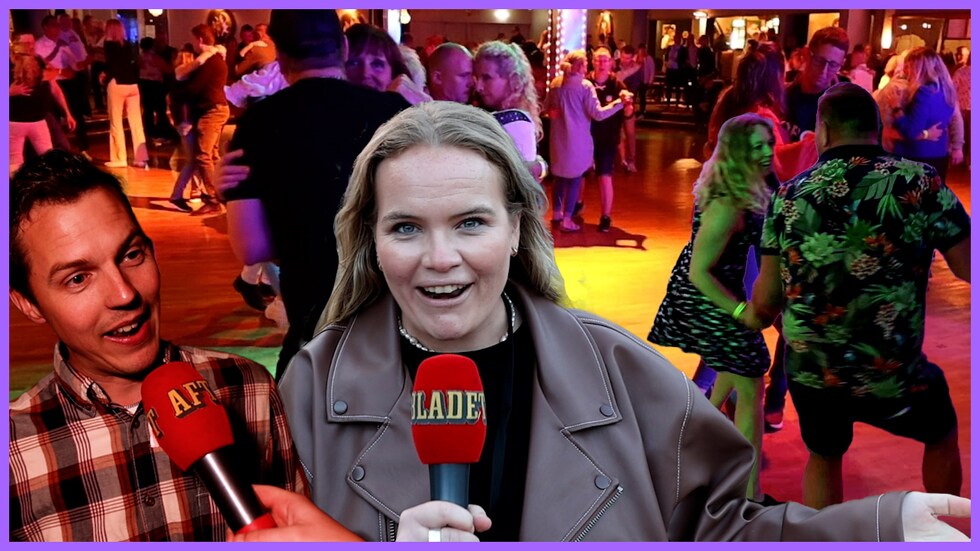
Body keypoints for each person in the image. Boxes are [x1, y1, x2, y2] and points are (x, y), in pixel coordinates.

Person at [270, 100, 969, 542]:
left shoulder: (619, 369)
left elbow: (725, 528)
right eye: (405, 228)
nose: (440, 258)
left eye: (471, 222)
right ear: (370, 239)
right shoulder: (311, 384)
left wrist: (877, 526)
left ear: (516, 229)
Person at [8, 150, 306, 541]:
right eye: (78, 278)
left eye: (132, 255)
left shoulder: (248, 387)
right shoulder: (14, 449)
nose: (124, 294)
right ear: (28, 303)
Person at [743, 83, 970, 510]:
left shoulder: (789, 196)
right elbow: (966, 265)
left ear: (824, 131)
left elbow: (767, 300)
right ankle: (942, 526)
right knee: (940, 431)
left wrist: (748, 312)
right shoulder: (919, 181)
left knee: (824, 455)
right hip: (891, 371)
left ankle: (828, 535)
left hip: (814, 371)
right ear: (877, 128)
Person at [218, 9, 410, 380]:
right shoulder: (394, 113)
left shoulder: (258, 124)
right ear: (342, 47)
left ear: (279, 55)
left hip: (315, 326)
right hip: (393, 325)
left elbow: (252, 247)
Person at [649, 113, 775, 501]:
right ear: (737, 153)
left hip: (719, 292)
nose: (768, 152)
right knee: (750, 386)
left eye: (769, 143)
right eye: (757, 146)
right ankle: (750, 497)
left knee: (732, 374)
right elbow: (699, 272)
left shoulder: (747, 187)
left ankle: (678, 440)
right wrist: (740, 311)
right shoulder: (727, 206)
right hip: (706, 299)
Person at [543, 50, 626, 232]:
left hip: (558, 140)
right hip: (578, 140)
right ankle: (567, 219)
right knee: (575, 178)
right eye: (587, 63)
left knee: (559, 178)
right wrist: (619, 103)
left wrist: (551, 113)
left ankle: (556, 213)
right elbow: (598, 114)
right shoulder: (585, 86)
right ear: (581, 67)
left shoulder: (556, 84)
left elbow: (546, 108)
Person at [473, 40, 546, 182]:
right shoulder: (512, 116)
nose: (478, 87)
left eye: (487, 78)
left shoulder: (516, 120)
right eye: (477, 78)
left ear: (513, 80)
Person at [176, 23, 229, 215]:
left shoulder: (209, 60)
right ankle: (219, 196)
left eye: (193, 39)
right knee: (212, 155)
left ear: (199, 39)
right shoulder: (217, 58)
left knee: (203, 156)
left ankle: (215, 199)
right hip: (217, 109)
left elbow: (194, 88)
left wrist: (179, 88)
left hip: (212, 111)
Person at [891, 47, 960, 183]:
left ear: (919, 68)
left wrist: (897, 109)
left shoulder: (924, 92)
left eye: (909, 67)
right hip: (939, 154)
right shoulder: (947, 91)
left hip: (916, 157)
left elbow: (911, 131)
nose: (906, 72)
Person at [588, 46, 633, 232]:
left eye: (605, 60)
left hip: (608, 138)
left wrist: (628, 106)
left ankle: (606, 216)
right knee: (579, 175)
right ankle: (574, 206)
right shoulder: (586, 83)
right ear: (593, 62)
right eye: (598, 60)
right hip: (586, 137)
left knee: (605, 175)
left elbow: (628, 112)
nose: (602, 64)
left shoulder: (617, 85)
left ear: (611, 63)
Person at [783, 26, 849, 143]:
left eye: (833, 65)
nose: (823, 71)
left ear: (841, 64)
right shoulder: (784, 96)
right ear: (806, 54)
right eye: (819, 61)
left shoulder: (843, 107)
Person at [101, 18, 149, 169]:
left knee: (116, 122)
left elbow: (112, 66)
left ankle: (119, 157)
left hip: (117, 83)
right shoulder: (128, 44)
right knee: (136, 123)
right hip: (133, 84)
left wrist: (104, 76)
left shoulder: (108, 45)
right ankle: (141, 158)